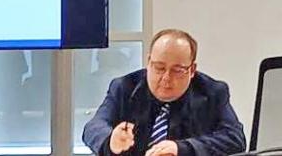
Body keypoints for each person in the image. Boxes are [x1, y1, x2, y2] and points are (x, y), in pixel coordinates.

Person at [82, 29, 246, 156]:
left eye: (177, 70)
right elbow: (93, 128)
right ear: (148, 62)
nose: (166, 78)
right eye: (159, 68)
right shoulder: (124, 87)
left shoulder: (212, 92)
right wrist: (111, 140)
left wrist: (182, 149)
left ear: (192, 70)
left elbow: (235, 138)